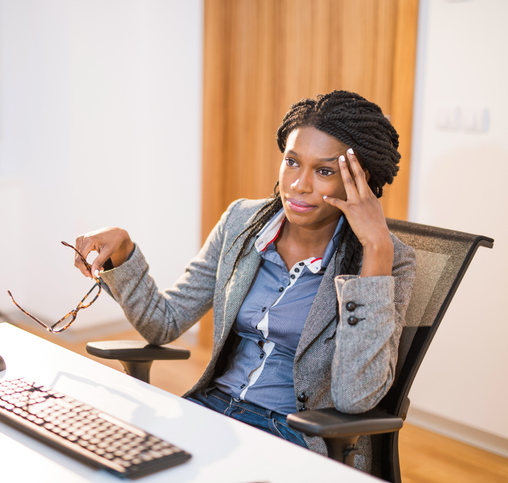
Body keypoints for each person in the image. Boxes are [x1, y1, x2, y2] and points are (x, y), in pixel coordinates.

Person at [71, 90, 416, 472]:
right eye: (292, 162)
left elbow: (356, 397)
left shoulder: (388, 260)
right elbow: (163, 322)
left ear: (361, 179)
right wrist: (124, 251)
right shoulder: (241, 222)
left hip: (291, 436)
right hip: (208, 413)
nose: (299, 184)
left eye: (324, 171)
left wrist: (376, 249)